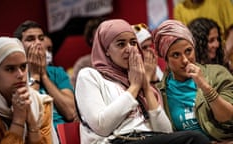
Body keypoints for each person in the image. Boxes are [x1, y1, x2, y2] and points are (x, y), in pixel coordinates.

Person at [75, 19, 210, 144]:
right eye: (121, 44)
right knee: (195, 140)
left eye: (133, 43)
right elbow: (102, 127)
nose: (130, 49)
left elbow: (165, 131)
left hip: (146, 138)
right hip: (114, 141)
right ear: (106, 50)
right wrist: (134, 87)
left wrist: (145, 86)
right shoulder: (89, 76)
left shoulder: (135, 77)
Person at [152, 19, 233, 142]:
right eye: (176, 55)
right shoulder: (160, 92)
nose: (185, 60)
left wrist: (204, 86)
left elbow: (226, 117)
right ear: (166, 60)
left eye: (188, 51)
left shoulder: (217, 74)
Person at [13, 20, 78, 130]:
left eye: (41, 38)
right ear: (19, 45)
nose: (38, 43)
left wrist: (43, 75)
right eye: (30, 39)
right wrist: (35, 75)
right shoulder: (15, 74)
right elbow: (30, 115)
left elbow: (71, 112)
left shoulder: (57, 72)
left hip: (64, 133)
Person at [0, 37, 59, 143]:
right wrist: (18, 120)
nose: (20, 75)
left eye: (23, 67)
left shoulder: (40, 104)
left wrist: (32, 124)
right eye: (10, 69)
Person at [71, 17, 106, 87]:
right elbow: (74, 90)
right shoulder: (83, 64)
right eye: (98, 35)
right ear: (91, 39)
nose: (103, 38)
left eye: (105, 34)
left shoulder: (119, 58)